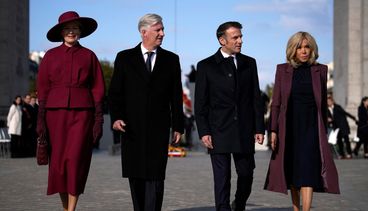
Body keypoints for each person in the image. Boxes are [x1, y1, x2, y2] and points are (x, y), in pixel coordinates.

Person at [108, 13, 184, 211]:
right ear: (144, 32)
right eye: (158, 30)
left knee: (156, 177)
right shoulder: (124, 58)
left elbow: (176, 96)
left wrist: (178, 126)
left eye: (162, 29)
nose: (162, 33)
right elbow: (115, 93)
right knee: (136, 176)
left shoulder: (171, 60)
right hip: (131, 128)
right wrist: (116, 118)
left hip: (159, 128)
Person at [36, 11, 105, 211]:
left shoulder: (89, 56)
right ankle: (66, 208)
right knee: (58, 165)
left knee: (75, 161)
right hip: (54, 116)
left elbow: (98, 88)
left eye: (75, 28)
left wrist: (98, 119)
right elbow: (42, 87)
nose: (71, 32)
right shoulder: (50, 56)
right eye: (67, 29)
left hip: (82, 115)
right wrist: (41, 119)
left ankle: (72, 210)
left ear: (80, 32)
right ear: (61, 32)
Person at [264, 31, 340, 211]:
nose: (304, 51)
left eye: (307, 47)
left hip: (311, 128)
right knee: (291, 169)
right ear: (293, 49)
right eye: (299, 47)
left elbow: (321, 103)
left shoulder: (320, 70)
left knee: (308, 170)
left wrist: (324, 129)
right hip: (288, 128)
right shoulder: (282, 70)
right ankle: (296, 208)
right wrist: (273, 130)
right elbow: (276, 103)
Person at [194, 21, 265, 211]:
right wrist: (204, 131)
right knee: (222, 178)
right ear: (222, 40)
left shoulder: (249, 63)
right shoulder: (206, 66)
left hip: (244, 130)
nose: (240, 40)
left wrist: (259, 127)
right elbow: (200, 104)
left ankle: (239, 204)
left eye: (241, 36)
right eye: (235, 37)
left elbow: (255, 98)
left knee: (246, 174)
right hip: (218, 131)